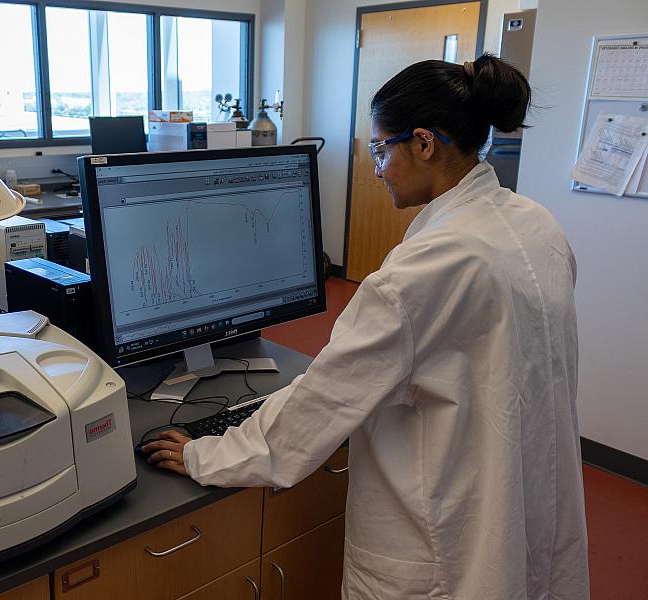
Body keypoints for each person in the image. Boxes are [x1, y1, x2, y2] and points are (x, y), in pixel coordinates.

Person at [142, 53, 590, 600]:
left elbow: (321, 404)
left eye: (381, 149)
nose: (376, 168)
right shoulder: (536, 225)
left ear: (424, 143)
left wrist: (202, 454)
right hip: (526, 503)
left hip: (444, 541)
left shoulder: (425, 271)